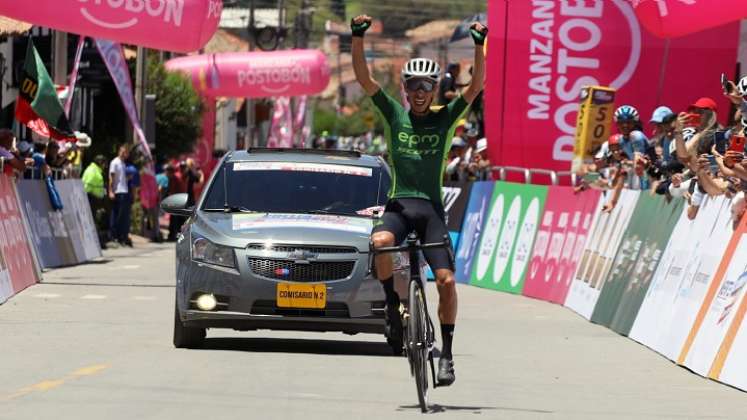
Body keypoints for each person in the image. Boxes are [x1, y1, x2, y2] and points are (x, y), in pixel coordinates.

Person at [351, 13, 487, 386]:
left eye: (426, 85)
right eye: (413, 85)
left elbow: (474, 88)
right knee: (379, 243)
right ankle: (392, 309)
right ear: (406, 90)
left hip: (429, 210)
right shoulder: (395, 115)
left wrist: (478, 46)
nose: (420, 91)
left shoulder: (444, 120)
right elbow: (365, 80)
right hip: (398, 206)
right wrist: (357, 37)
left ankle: (447, 355)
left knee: (445, 282)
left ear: (433, 87)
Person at [82, 155, 109, 247]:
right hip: (91, 198)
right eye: (104, 164)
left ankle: (94, 242)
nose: (105, 166)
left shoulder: (94, 170)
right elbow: (87, 186)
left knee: (94, 220)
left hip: (93, 198)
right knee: (92, 220)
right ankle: (93, 243)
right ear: (100, 163)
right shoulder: (93, 171)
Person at [109, 145, 131, 246]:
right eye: (122, 151)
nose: (123, 153)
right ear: (119, 151)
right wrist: (110, 191)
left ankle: (122, 236)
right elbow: (111, 177)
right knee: (117, 215)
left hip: (124, 191)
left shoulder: (123, 163)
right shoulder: (115, 162)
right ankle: (114, 235)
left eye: (125, 152)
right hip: (118, 191)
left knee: (123, 216)